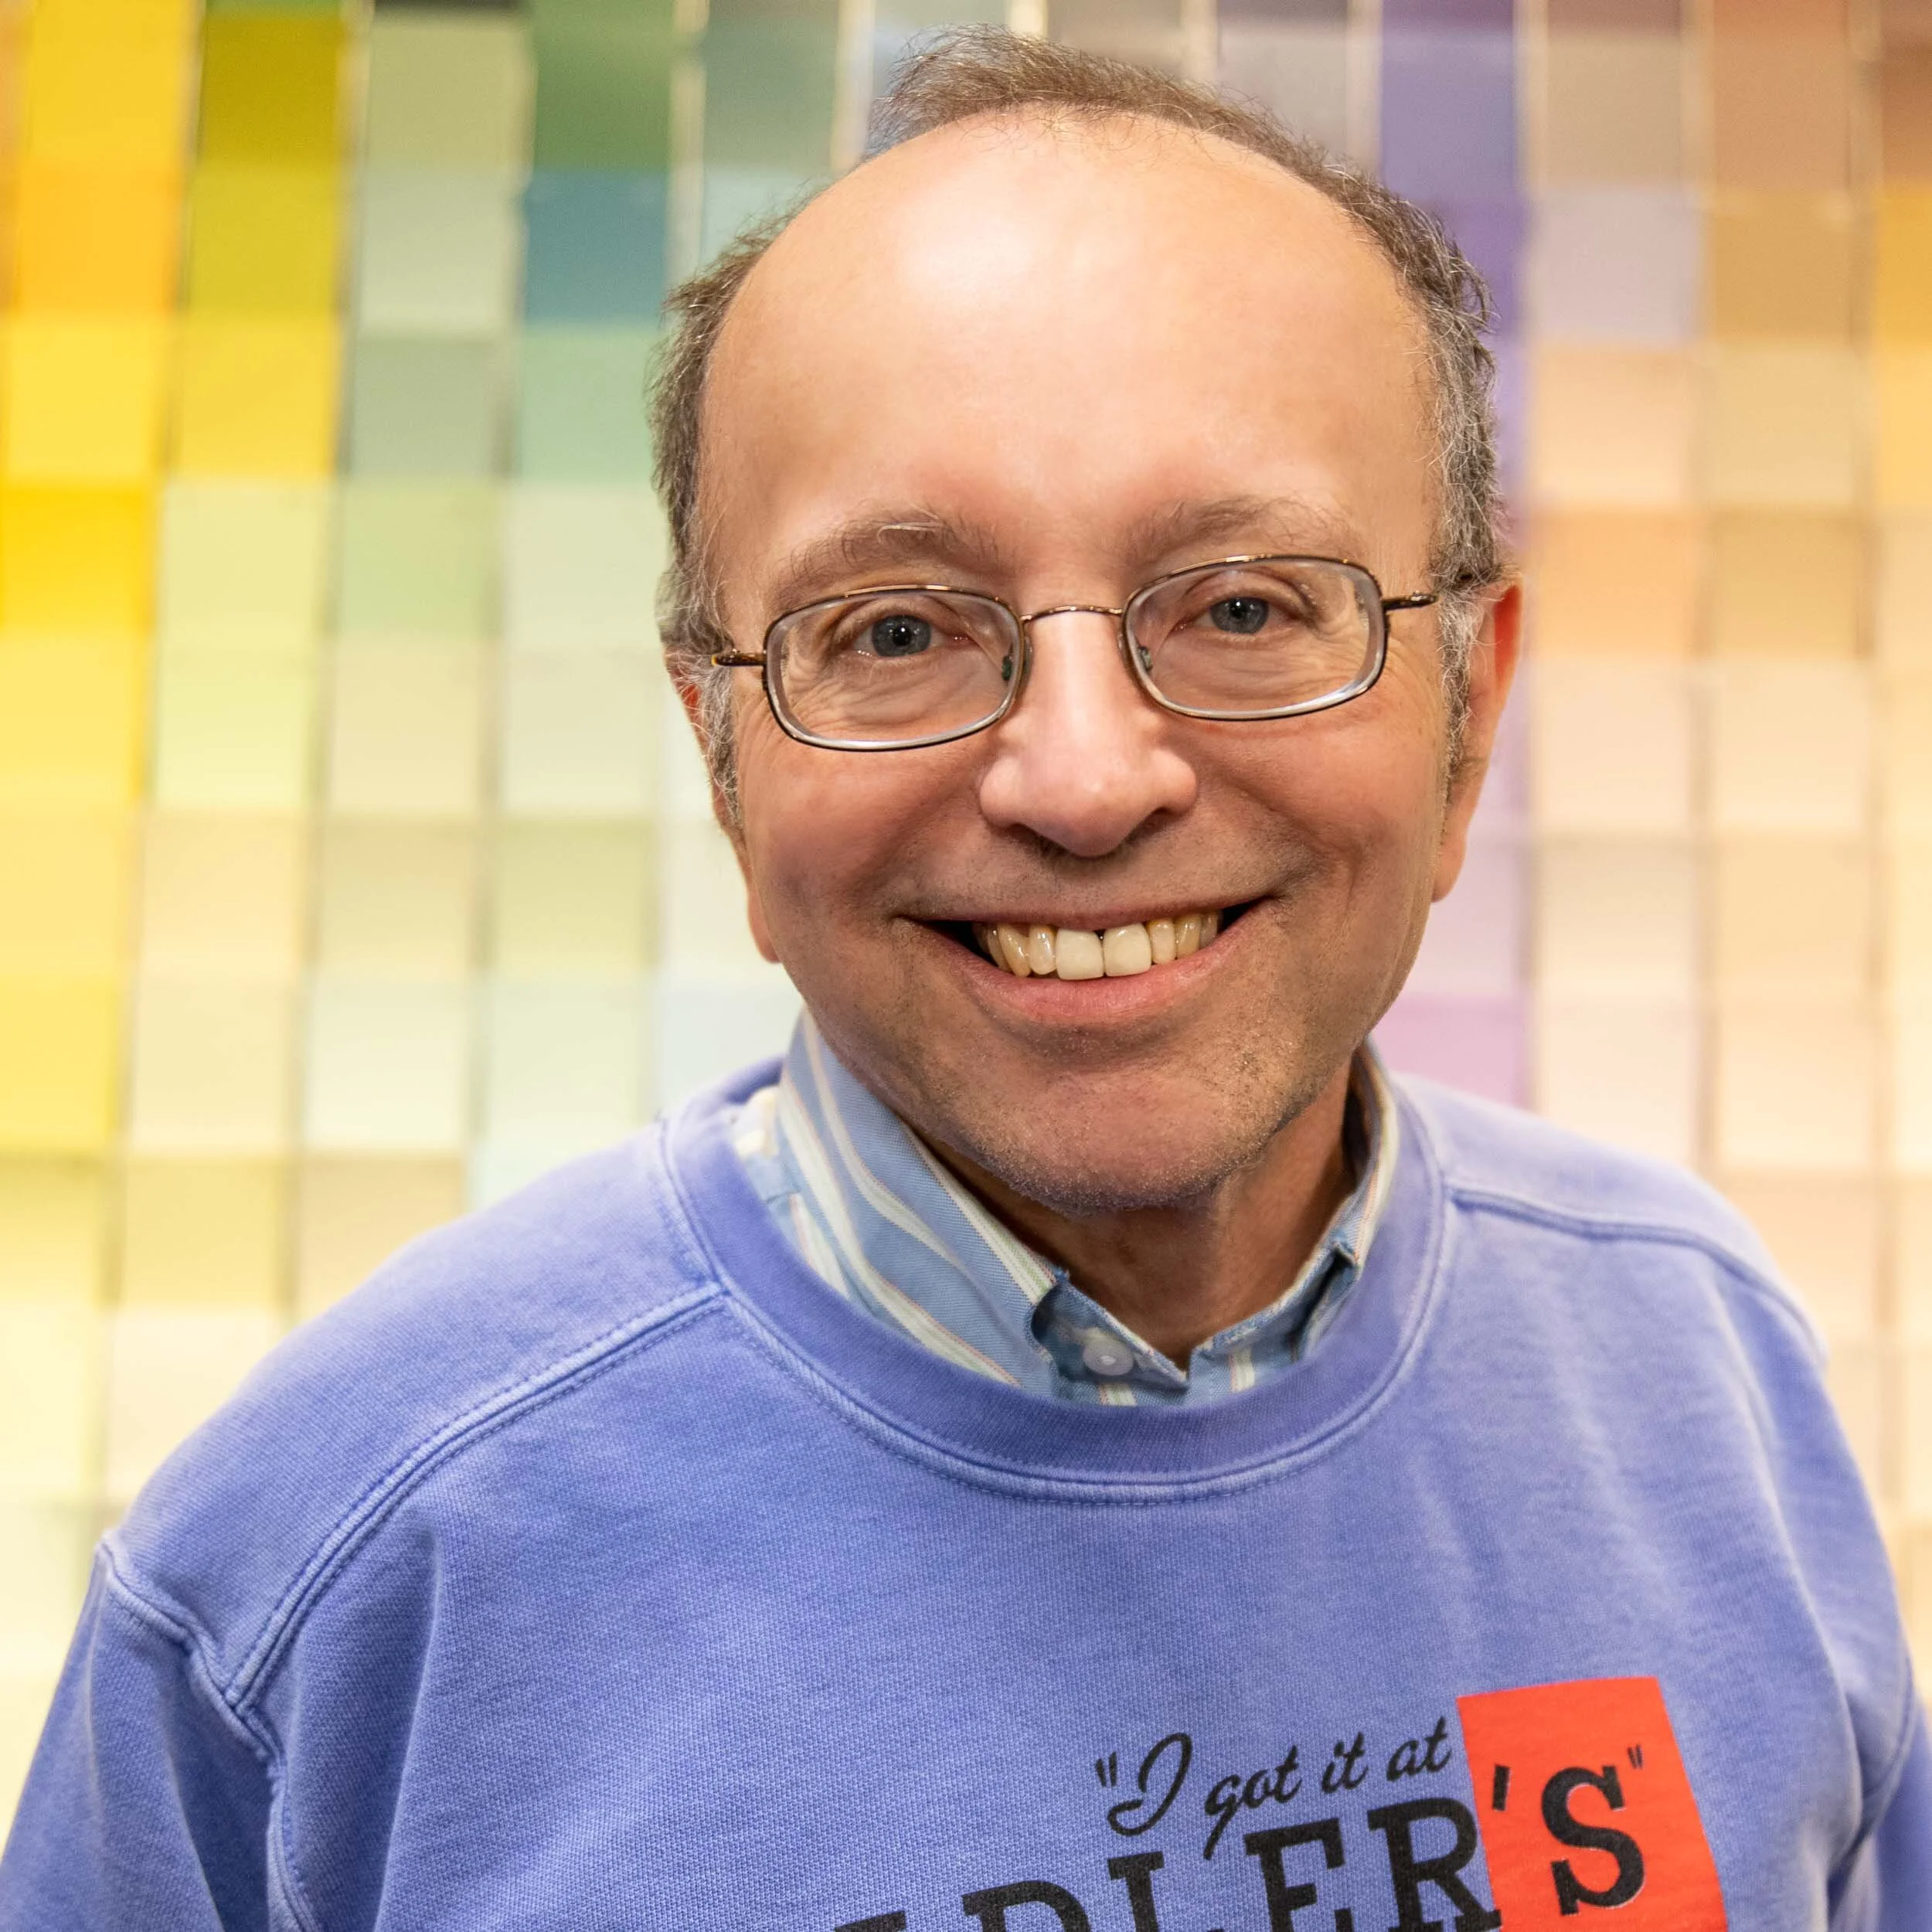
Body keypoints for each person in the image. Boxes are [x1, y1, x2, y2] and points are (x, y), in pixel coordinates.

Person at [2, 28, 1926, 1930]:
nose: (1082, 779)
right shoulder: (327, 1579)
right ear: (721, 759)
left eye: (1242, 603)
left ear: (1466, 711)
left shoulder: (1695, 1367)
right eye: (898, 630)